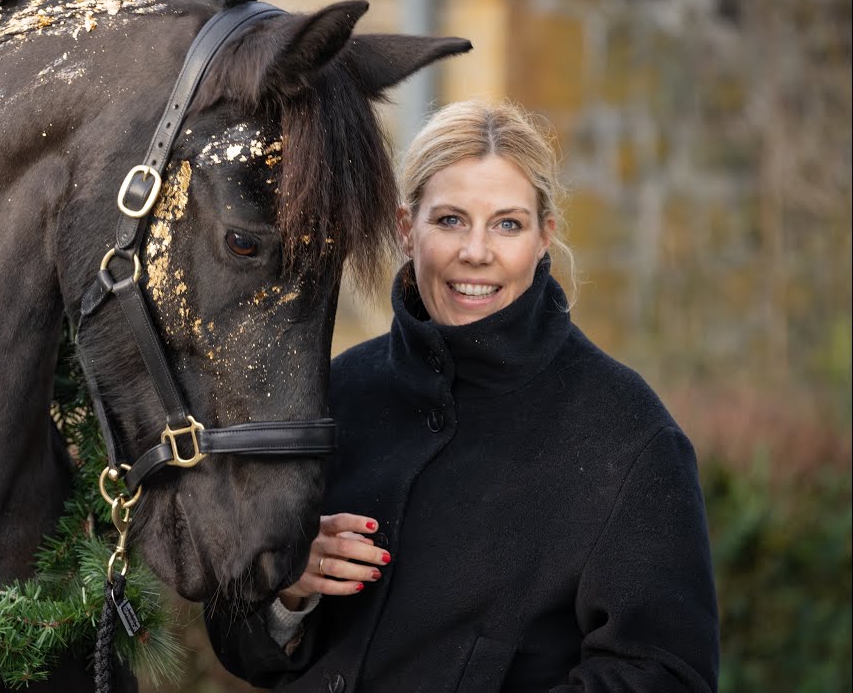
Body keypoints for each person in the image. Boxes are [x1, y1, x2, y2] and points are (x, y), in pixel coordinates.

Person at [204, 100, 719, 692]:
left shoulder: (629, 436)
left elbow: (666, 675)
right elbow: (240, 642)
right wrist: (288, 589)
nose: (476, 251)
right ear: (406, 229)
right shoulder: (333, 394)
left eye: (507, 224)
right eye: (450, 220)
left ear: (544, 237)